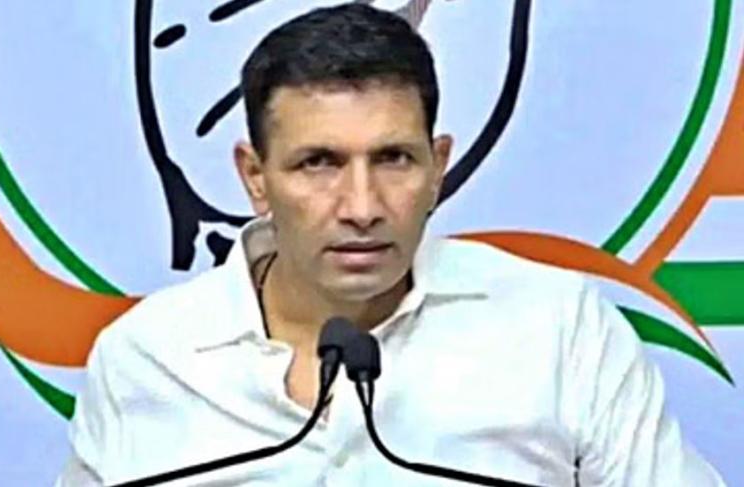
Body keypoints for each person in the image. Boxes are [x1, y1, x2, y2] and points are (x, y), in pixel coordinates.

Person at [57, 4, 725, 485]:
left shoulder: (557, 326)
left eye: (394, 159)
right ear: (254, 177)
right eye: (318, 163)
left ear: (438, 167)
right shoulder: (145, 356)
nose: (362, 207)